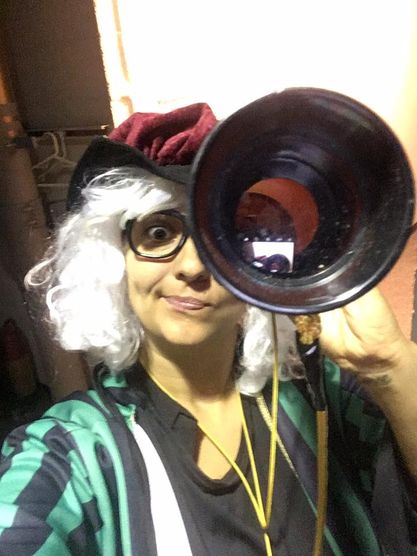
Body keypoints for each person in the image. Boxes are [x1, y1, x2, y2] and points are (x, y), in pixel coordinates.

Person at [0, 101, 416, 556]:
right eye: (159, 233)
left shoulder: (321, 392)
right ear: (115, 260)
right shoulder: (73, 453)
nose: (194, 267)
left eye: (222, 240)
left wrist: (388, 364)